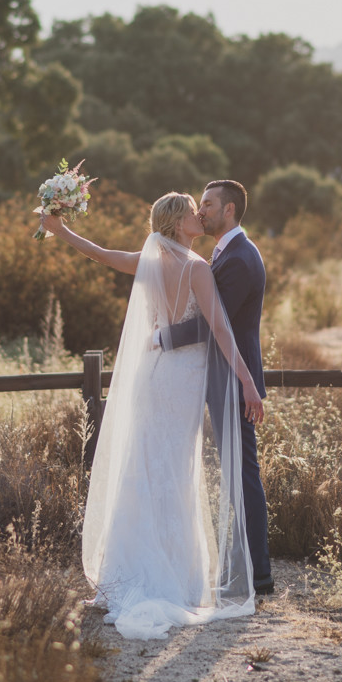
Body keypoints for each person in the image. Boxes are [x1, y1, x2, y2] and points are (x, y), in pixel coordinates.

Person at [39, 192, 264, 639]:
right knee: (175, 471)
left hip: (153, 374)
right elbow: (220, 329)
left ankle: (126, 574)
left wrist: (60, 231)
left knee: (143, 467)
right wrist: (247, 381)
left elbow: (101, 254)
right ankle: (173, 577)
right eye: (193, 211)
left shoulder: (149, 261)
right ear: (178, 224)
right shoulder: (197, 269)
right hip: (182, 381)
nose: (199, 215)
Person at [154, 180, 272, 595]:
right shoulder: (225, 253)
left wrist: (163, 337)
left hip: (234, 380)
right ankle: (244, 567)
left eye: (207, 204)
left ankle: (257, 574)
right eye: (199, 204)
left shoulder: (239, 259)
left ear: (229, 210)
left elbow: (211, 325)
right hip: (222, 376)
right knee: (237, 472)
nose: (201, 211)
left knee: (242, 474)